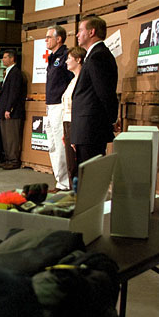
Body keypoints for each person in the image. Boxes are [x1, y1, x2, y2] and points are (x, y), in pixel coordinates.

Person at [71, 15, 118, 166]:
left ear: (91, 32)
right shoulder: (93, 55)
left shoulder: (98, 56)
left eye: (80, 30)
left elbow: (105, 93)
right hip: (86, 129)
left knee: (90, 176)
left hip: (91, 129)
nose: (77, 34)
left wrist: (111, 120)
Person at [44, 25, 74, 191]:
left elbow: (72, 80)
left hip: (61, 105)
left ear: (59, 39)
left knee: (60, 144)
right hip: (51, 106)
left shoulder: (65, 56)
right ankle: (59, 179)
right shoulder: (52, 57)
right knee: (52, 145)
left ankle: (64, 182)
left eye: (49, 37)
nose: (46, 40)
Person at [61, 46, 87, 183]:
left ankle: (78, 197)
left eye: (69, 58)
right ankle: (73, 196)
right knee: (71, 165)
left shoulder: (82, 81)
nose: (66, 61)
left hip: (76, 124)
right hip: (68, 124)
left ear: (78, 59)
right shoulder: (72, 80)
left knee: (76, 165)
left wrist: (75, 132)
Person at [0, 49, 25, 170]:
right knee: (6, 136)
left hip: (12, 111)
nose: (3, 60)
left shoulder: (16, 73)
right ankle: (8, 158)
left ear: (12, 58)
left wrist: (9, 108)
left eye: (5, 57)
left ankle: (14, 160)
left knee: (12, 136)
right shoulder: (8, 72)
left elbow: (14, 93)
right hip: (4, 110)